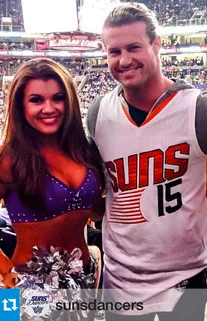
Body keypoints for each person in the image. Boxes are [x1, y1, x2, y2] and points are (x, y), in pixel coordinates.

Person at [86, 2, 207, 320]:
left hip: (184, 278)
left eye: (134, 47)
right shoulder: (98, 113)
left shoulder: (202, 111)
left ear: (156, 44)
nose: (124, 60)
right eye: (114, 51)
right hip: (119, 278)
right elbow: (97, 187)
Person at [0, 58, 105, 291]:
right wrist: (7, 276)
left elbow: (95, 210)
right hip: (27, 285)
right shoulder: (8, 159)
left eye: (58, 98)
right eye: (36, 100)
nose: (49, 108)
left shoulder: (85, 151)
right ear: (21, 106)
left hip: (83, 280)